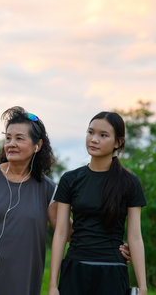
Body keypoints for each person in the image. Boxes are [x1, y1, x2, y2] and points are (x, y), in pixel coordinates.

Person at [0, 107, 132, 295]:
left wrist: (112, 248)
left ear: (37, 146)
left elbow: (67, 230)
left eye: (19, 138)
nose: (11, 144)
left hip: (23, 278)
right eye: (8, 138)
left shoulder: (47, 190)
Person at [48, 111, 147, 295]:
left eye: (103, 135)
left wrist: (143, 287)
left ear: (118, 142)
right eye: (90, 132)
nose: (94, 139)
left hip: (112, 273)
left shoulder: (130, 182)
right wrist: (53, 285)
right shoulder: (70, 179)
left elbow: (135, 237)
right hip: (75, 270)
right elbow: (61, 232)